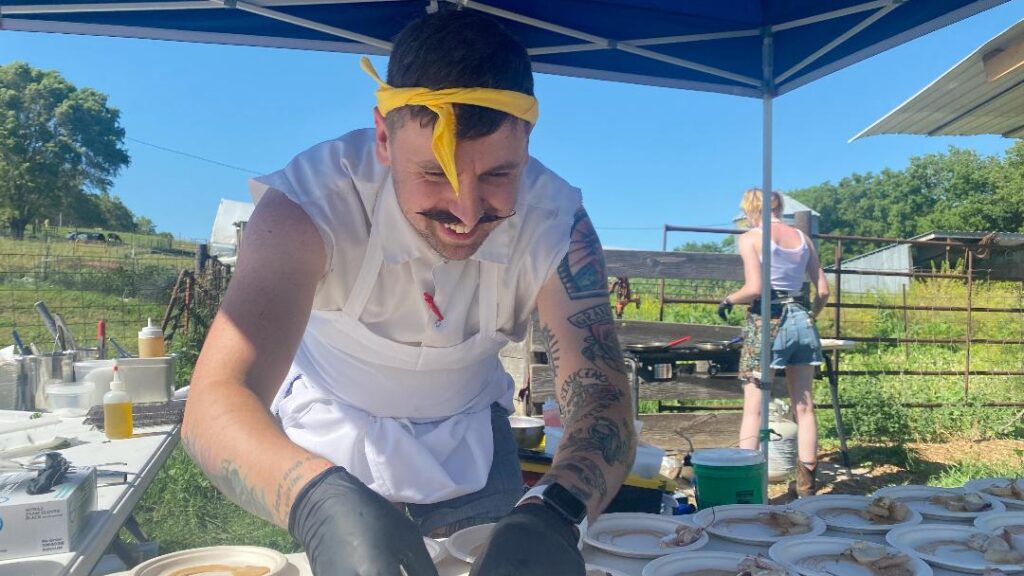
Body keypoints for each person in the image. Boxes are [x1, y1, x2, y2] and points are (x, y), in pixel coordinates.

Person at [181, 9, 636, 576]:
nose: (467, 214)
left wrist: (555, 510)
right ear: (383, 139)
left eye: (498, 174)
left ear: (527, 142)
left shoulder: (556, 222)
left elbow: (601, 396)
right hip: (318, 444)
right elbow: (216, 399)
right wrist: (317, 504)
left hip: (471, 438)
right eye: (434, 173)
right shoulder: (305, 207)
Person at [717, 189, 830, 497]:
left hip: (767, 320)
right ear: (780, 207)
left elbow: (754, 288)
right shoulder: (803, 238)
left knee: (753, 410)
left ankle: (746, 486)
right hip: (801, 319)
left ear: (750, 210)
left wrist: (727, 299)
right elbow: (822, 291)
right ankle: (806, 489)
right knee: (804, 407)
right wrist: (812, 317)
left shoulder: (751, 238)